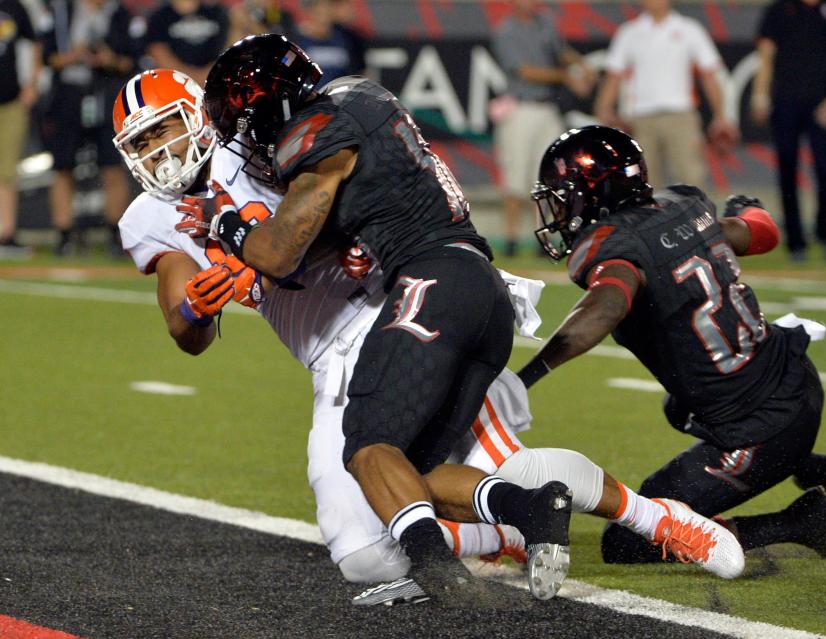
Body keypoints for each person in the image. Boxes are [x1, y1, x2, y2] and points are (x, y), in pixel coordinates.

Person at [112, 69, 745, 606]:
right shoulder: (149, 217)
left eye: (163, 129)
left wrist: (344, 245)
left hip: (396, 307)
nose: (156, 152)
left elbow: (335, 211)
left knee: (456, 463)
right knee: (365, 553)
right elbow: (182, 325)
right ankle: (515, 523)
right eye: (139, 143)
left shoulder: (255, 150)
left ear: (200, 115)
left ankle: (657, 518)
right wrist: (194, 311)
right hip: (330, 361)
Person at [518, 125, 826, 565]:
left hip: (759, 426)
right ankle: (796, 459)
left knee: (630, 541)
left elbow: (605, 307)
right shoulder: (682, 205)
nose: (559, 209)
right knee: (679, 405)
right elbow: (762, 232)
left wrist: (524, 379)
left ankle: (799, 521)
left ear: (591, 191)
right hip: (794, 378)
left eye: (564, 195)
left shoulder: (615, 245)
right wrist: (747, 209)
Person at [593, 0, 738, 192]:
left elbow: (709, 74)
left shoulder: (689, 29)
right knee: (643, 183)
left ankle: (697, 221)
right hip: (640, 119)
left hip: (681, 116)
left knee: (692, 179)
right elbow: (613, 76)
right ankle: (650, 223)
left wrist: (721, 115)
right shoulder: (629, 32)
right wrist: (602, 110)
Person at [491, 0, 594, 257]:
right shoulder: (507, 30)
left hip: (547, 107)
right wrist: (568, 76)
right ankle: (511, 237)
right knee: (515, 176)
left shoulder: (545, 24)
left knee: (549, 175)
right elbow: (525, 72)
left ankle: (544, 235)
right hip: (521, 107)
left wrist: (582, 65)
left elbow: (562, 52)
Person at [751, 0, 826, 263]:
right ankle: (795, 240)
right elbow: (766, 55)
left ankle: (823, 230)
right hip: (786, 102)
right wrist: (760, 94)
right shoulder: (779, 9)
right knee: (787, 169)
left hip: (821, 103)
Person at [39, 0, 138, 256]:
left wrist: (109, 59)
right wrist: (75, 55)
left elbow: (132, 60)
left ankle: (116, 233)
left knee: (112, 166)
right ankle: (64, 234)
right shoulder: (62, 10)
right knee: (63, 166)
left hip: (107, 92)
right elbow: (47, 56)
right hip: (69, 96)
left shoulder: (119, 13)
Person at [0, 0, 41, 258]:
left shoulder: (14, 6)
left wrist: (32, 84)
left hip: (10, 99)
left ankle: (5, 233)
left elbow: (34, 44)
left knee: (6, 171)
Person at [145, 0, 228, 85]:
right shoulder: (159, 16)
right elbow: (157, 51)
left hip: (215, 80)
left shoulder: (217, 12)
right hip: (174, 82)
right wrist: (187, 78)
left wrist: (209, 75)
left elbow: (229, 47)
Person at [294, 0, 366, 87]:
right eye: (318, 7)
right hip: (308, 96)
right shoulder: (296, 39)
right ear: (309, 10)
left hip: (339, 96)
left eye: (328, 7)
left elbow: (358, 72)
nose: (324, 11)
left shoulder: (347, 38)